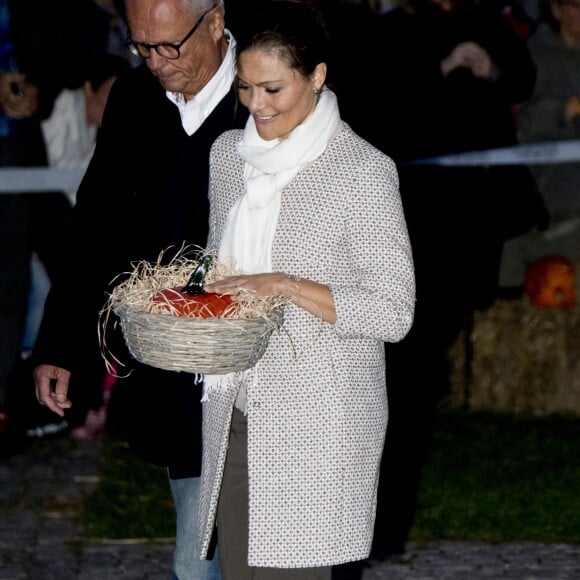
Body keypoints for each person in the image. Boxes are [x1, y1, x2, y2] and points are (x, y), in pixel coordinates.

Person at [196, 2, 416, 578]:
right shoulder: (226, 157)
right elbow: (224, 278)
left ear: (317, 76)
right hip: (233, 407)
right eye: (245, 89)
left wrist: (286, 285)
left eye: (273, 89)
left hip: (318, 423)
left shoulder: (362, 170)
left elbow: (394, 311)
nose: (257, 106)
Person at [31, 0, 248, 577]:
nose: (155, 62)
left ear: (216, 20)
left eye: (169, 46)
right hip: (178, 379)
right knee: (198, 555)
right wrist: (61, 345)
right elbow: (94, 229)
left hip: (268, 372)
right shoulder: (133, 100)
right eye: (142, 46)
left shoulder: (268, 92)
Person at [363, 0, 548, 559]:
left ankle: (386, 525)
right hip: (407, 221)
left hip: (466, 227)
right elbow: (378, 104)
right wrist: (440, 71)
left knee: (414, 382)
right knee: (398, 377)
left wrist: (489, 70)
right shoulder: (392, 30)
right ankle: (369, 520)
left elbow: (524, 80)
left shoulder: (486, 21)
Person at [502, 0, 580, 289]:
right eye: (577, 6)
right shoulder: (535, 55)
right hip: (551, 185)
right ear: (557, 10)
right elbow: (520, 120)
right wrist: (562, 110)